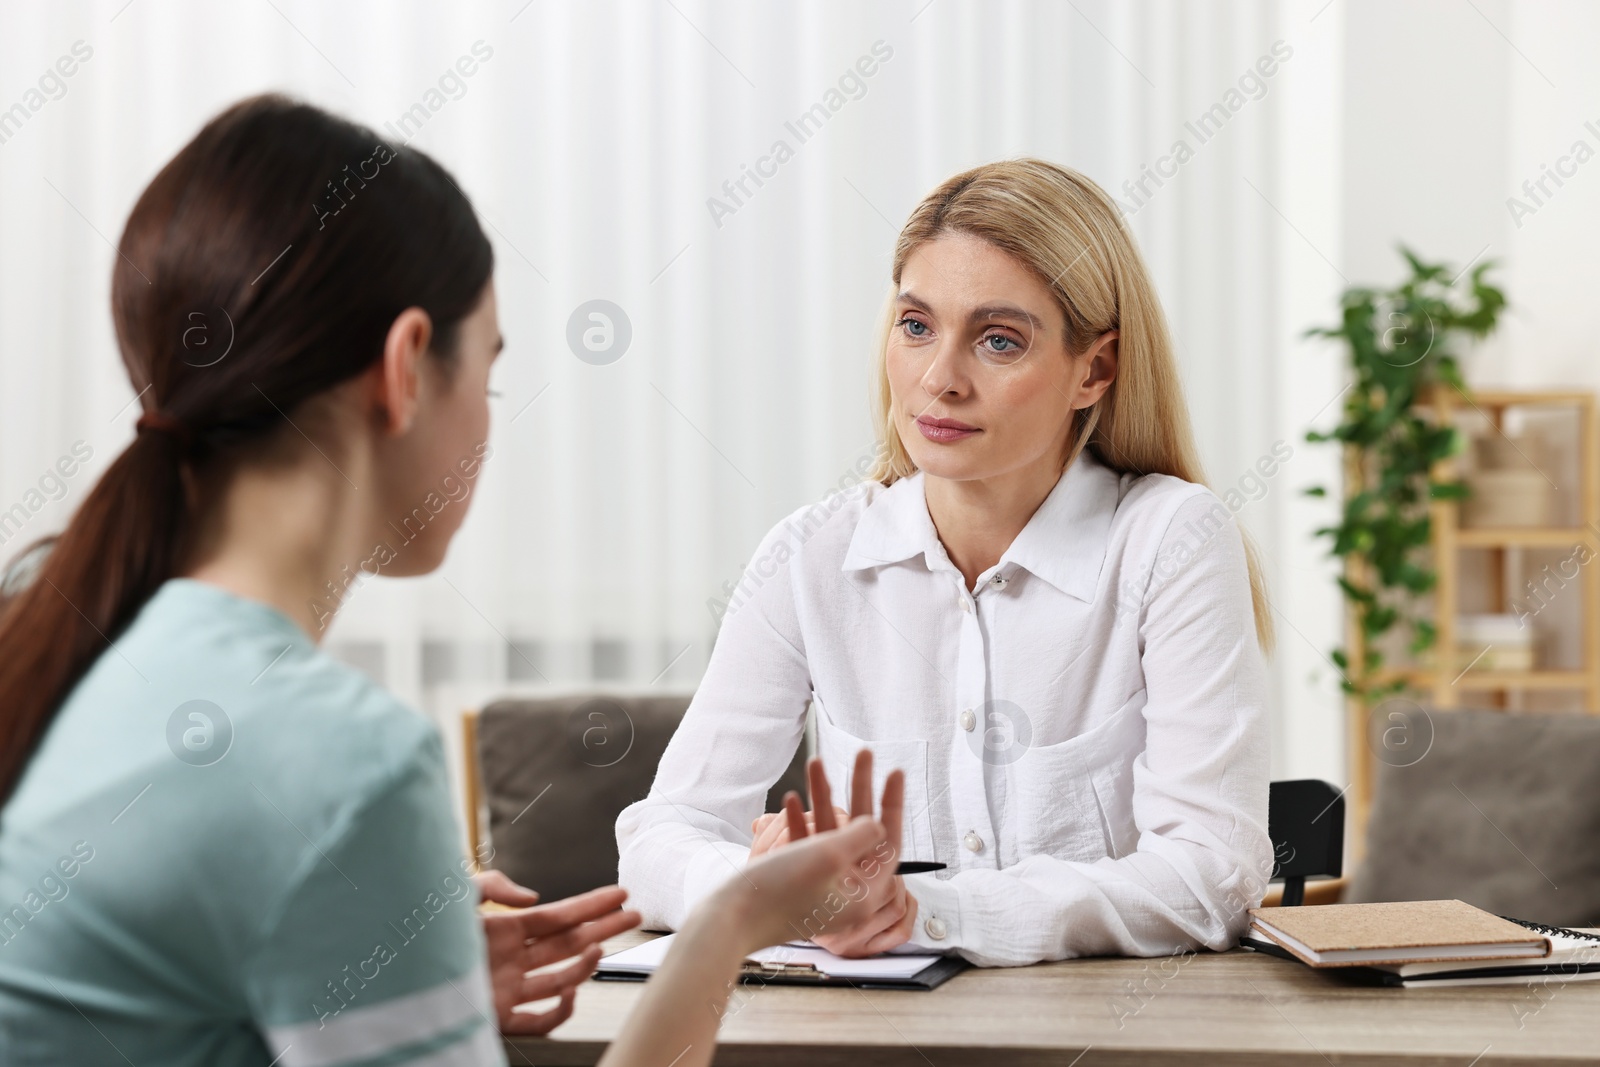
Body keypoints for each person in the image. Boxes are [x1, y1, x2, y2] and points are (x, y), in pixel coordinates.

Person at [0, 94, 905, 1067]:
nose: (486, 421)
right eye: (491, 374)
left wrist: (387, 970)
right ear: (404, 367)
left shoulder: (57, 626)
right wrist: (729, 924)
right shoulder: (342, 763)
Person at [616, 158, 1277, 969]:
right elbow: (660, 836)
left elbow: (1212, 872)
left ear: (1093, 370)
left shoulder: (1169, 541)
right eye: (917, 325)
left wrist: (920, 910)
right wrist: (772, 886)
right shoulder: (809, 555)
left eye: (998, 340)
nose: (939, 379)